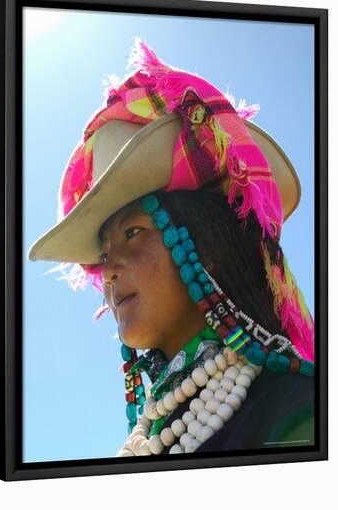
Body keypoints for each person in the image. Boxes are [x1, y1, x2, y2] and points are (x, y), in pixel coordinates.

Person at [28, 38, 315, 457]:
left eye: (134, 233)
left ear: (206, 243)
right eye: (104, 254)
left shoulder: (296, 411)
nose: (108, 271)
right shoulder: (160, 432)